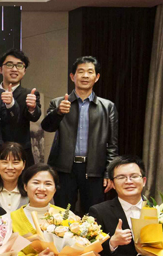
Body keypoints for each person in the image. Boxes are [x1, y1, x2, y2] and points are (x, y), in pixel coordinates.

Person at [42, 56, 118, 213]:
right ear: (72, 76)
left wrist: (109, 172)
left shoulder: (107, 106)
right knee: (61, 214)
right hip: (63, 169)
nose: (85, 76)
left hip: (94, 169)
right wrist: (58, 112)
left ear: (97, 77)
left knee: (94, 215)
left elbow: (112, 144)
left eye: (90, 72)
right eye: (81, 71)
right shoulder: (58, 103)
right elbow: (47, 127)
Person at [0, 49, 41, 166]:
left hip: (21, 154)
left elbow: (35, 116)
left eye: (19, 65)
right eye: (9, 65)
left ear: (24, 71)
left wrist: (32, 108)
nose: (14, 69)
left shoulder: (29, 94)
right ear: (1, 69)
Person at [0, 142, 29, 214]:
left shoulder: (31, 190)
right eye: (5, 162)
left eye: (15, 162)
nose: (10, 167)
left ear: (23, 165)